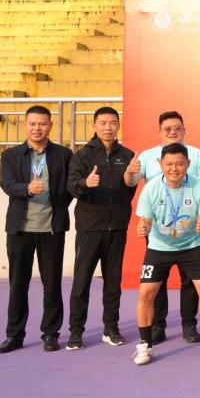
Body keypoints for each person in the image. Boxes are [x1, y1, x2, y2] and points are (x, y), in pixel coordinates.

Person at [126, 110, 200, 344]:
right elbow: (131, 182)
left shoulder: (196, 155)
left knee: (191, 282)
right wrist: (129, 172)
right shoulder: (148, 158)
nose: (173, 132)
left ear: (184, 130)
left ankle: (189, 324)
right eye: (168, 129)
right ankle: (157, 325)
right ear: (160, 131)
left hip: (191, 234)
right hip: (159, 232)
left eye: (177, 128)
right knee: (155, 283)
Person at [0, 105, 74, 353]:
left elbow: (69, 188)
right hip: (20, 229)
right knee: (18, 284)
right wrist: (27, 189)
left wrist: (59, 207)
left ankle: (50, 334)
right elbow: (6, 184)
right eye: (32, 124)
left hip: (51, 229)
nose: (37, 128)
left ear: (50, 126)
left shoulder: (64, 154)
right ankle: (14, 335)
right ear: (25, 125)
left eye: (42, 124)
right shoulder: (11, 155)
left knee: (52, 284)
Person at [131, 143, 200, 365]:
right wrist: (143, 227)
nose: (174, 168)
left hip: (191, 246)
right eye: (169, 164)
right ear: (160, 164)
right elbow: (145, 220)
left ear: (188, 164)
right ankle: (144, 345)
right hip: (159, 246)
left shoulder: (199, 187)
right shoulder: (151, 188)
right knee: (146, 292)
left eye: (179, 164)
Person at [66, 107, 136, 350]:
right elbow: (71, 186)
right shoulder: (82, 156)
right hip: (89, 228)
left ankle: (111, 328)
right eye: (103, 123)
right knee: (81, 282)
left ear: (118, 125)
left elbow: (129, 190)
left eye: (113, 122)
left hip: (116, 228)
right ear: (94, 125)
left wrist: (129, 177)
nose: (108, 127)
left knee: (113, 283)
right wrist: (86, 182)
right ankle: (76, 332)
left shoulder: (127, 155)